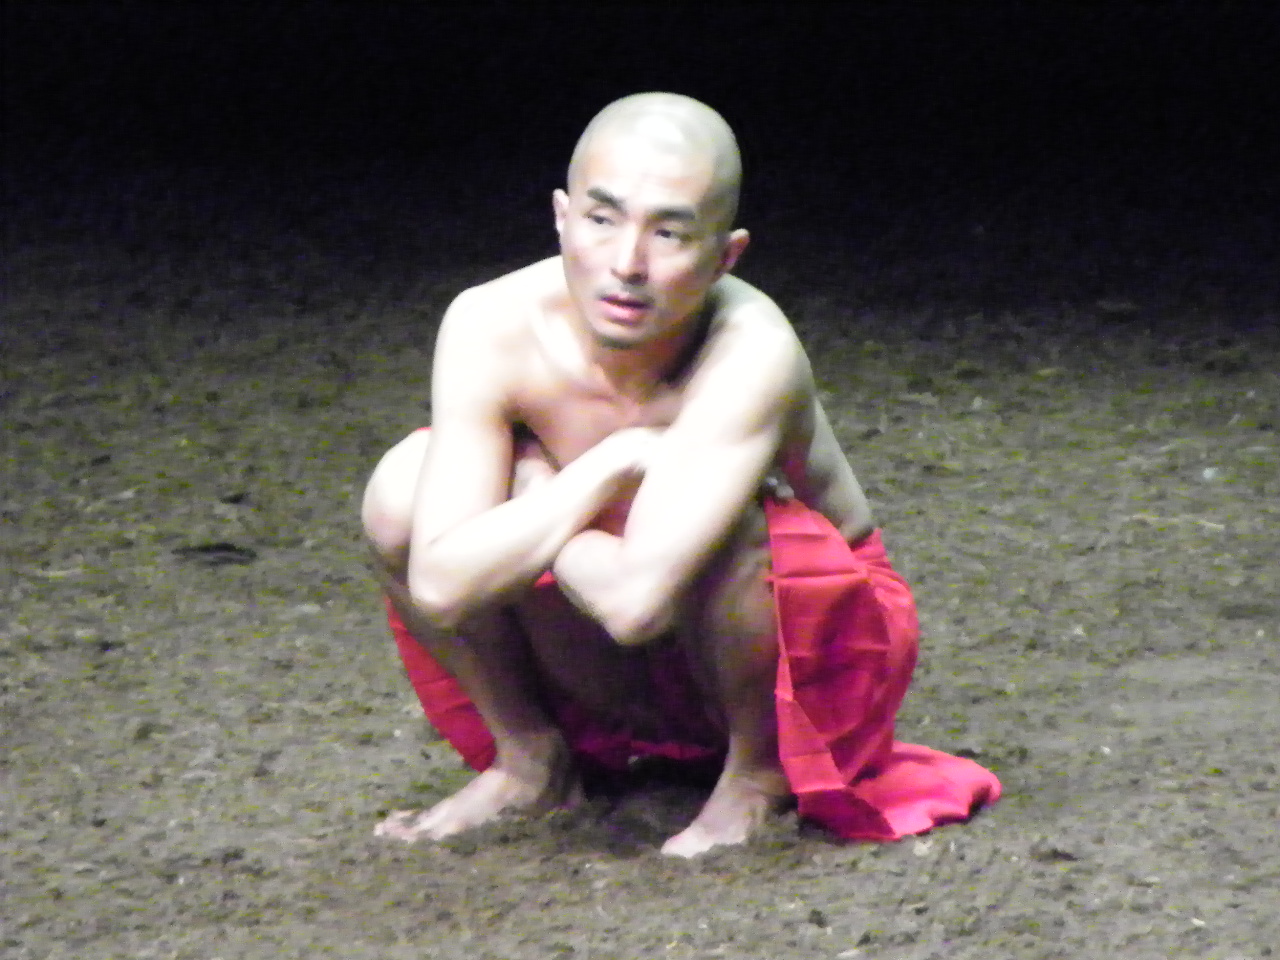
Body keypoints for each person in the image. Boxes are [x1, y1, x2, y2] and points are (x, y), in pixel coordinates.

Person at [361, 92, 1000, 858]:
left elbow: (635, 604)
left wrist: (539, 493)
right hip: (612, 630)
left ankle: (757, 776)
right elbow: (439, 582)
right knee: (403, 485)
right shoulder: (488, 322)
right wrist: (607, 466)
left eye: (669, 233)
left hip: (800, 660)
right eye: (603, 219)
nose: (627, 264)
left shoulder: (751, 349)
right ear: (561, 218)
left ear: (726, 255)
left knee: (744, 526)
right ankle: (531, 759)